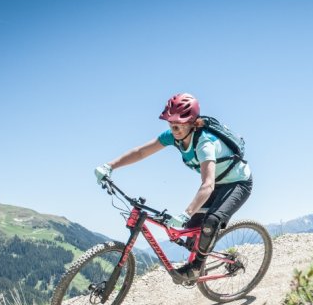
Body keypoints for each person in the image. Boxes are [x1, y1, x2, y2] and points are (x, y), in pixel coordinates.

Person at [94, 93, 252, 282]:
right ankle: (201, 262)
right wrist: (110, 166)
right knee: (191, 229)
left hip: (238, 183)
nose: (173, 127)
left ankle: (195, 268)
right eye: (170, 122)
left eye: (179, 123)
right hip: (217, 183)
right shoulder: (173, 137)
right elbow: (141, 152)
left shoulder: (204, 143)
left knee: (210, 222)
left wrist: (187, 211)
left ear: (192, 122)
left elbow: (207, 184)